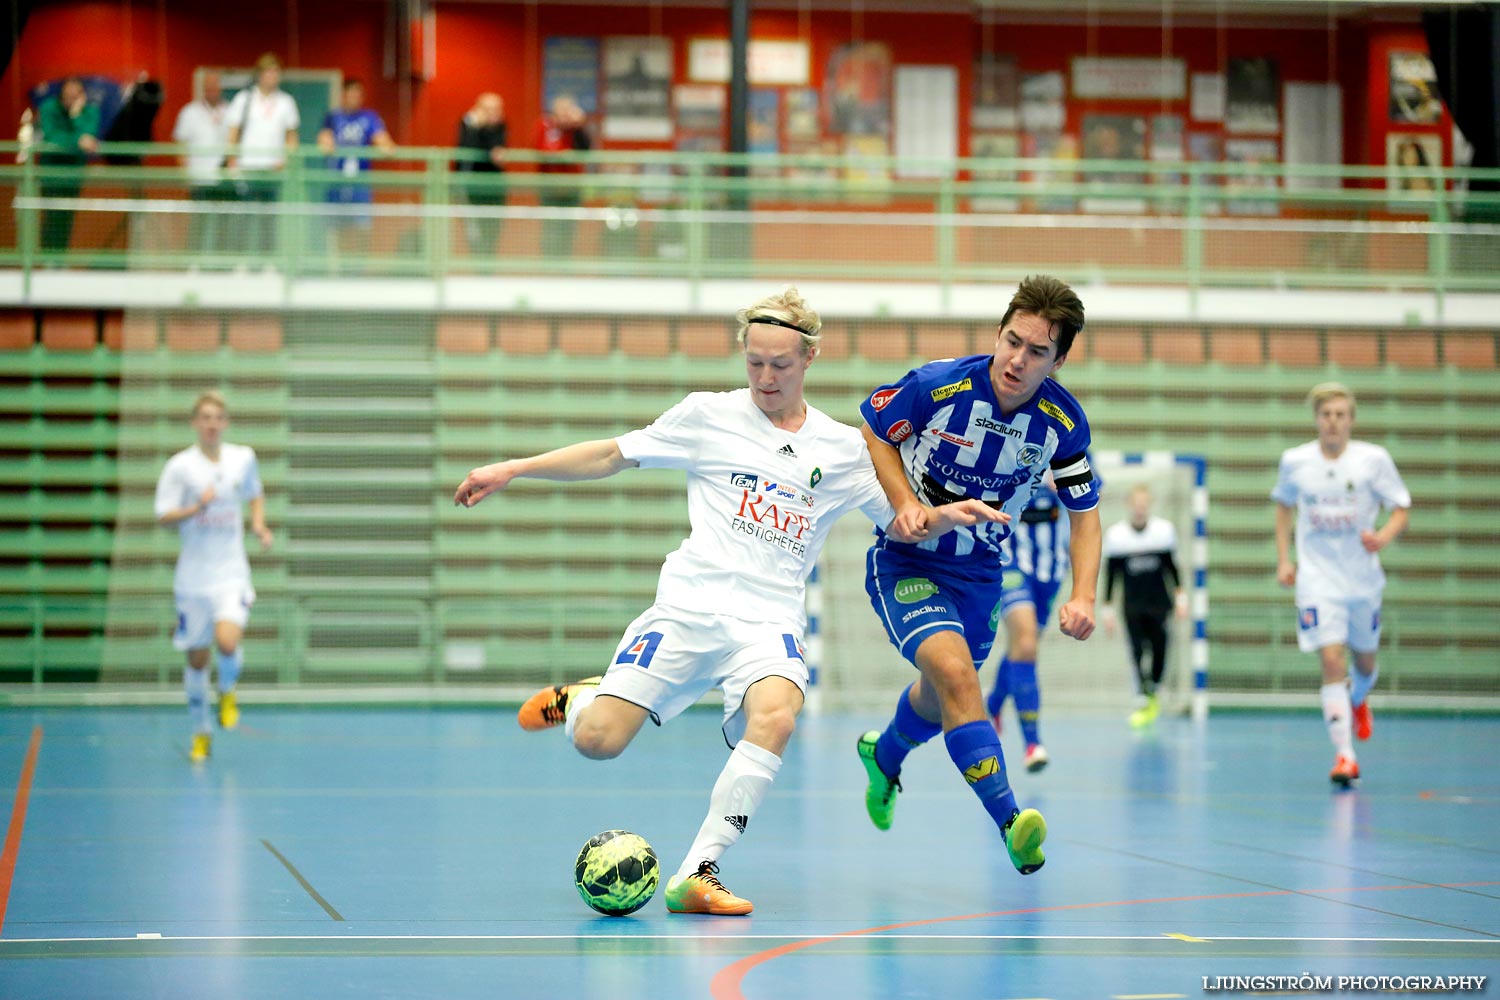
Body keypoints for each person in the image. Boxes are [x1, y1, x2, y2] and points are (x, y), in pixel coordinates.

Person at [453, 289, 1001, 914]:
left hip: (769, 622)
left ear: (810, 357)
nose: (766, 378)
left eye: (781, 365)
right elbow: (610, 454)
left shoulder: (846, 450)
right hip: (687, 608)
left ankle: (697, 873)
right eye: (755, 362)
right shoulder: (706, 416)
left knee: (776, 716)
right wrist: (514, 468)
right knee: (599, 742)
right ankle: (582, 703)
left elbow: (906, 521)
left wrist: (943, 517)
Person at [854, 274, 1101, 877]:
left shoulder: (1063, 424)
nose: (1017, 360)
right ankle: (1014, 824)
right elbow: (874, 431)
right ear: (998, 333)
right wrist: (906, 503)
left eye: (1037, 351)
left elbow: (1085, 514)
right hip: (908, 561)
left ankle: (883, 755)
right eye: (1011, 341)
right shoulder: (938, 385)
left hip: (980, 575)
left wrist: (1085, 595)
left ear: (1060, 359)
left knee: (943, 698)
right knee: (958, 675)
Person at [1272, 382, 1410, 787]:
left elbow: (1401, 507)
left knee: (1364, 663)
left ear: (1351, 420)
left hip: (1363, 580)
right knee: (1332, 660)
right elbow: (1283, 508)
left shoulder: (1373, 460)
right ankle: (1345, 756)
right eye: (1326, 414)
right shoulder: (1295, 462)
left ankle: (1359, 696)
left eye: (1340, 415)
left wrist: (1383, 536)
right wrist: (1285, 559)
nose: (1332, 422)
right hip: (1317, 581)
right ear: (1317, 419)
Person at [154, 391, 273, 763]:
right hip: (192, 579)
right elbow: (163, 514)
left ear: (225, 423)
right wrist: (196, 506)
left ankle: (227, 690)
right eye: (204, 417)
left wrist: (258, 524)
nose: (211, 423)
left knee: (227, 640)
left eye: (217, 417)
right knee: (196, 661)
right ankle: (201, 732)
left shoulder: (243, 458)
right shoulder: (180, 467)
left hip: (231, 573)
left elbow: (255, 494)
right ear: (195, 423)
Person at [984, 474, 1071, 772]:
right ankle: (1033, 744)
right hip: (1012, 563)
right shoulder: (1016, 442)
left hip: (1051, 573)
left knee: (1023, 649)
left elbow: (1088, 501)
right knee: (1025, 643)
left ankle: (993, 705)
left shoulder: (1072, 448)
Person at [1102, 483, 1185, 728]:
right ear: (1129, 506)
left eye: (1143, 504)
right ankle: (1142, 696)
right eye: (1135, 503)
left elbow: (1173, 568)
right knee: (1137, 650)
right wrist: (1107, 609)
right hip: (1133, 605)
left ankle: (1152, 690)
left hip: (1160, 604)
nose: (1139, 508)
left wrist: (1181, 599)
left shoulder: (1163, 532)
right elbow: (1111, 575)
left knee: (1160, 649)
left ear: (1148, 506)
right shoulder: (1117, 536)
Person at [225, 53, 299, 258]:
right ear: (259, 74)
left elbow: (291, 137)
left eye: (276, 72)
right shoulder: (244, 99)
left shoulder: (286, 102)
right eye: (268, 72)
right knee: (244, 216)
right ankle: (241, 262)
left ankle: (268, 262)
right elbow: (232, 133)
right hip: (247, 166)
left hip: (273, 169)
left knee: (270, 218)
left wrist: (287, 162)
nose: (272, 76)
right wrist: (232, 161)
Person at [316, 79, 394, 261]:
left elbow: (384, 141)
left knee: (362, 226)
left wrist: (385, 146)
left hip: (360, 182)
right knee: (338, 226)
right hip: (337, 181)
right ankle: (339, 266)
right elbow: (324, 140)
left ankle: (359, 265)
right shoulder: (333, 116)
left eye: (357, 94)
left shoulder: (369, 117)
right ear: (343, 95)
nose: (353, 98)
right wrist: (326, 143)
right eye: (350, 93)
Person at [35, 76, 99, 253]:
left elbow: (89, 135)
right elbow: (51, 137)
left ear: (82, 95)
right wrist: (77, 141)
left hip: (74, 175)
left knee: (66, 216)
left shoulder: (90, 111)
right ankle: (47, 258)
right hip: (51, 174)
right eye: (67, 95)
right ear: (61, 95)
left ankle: (59, 259)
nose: (71, 99)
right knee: (51, 216)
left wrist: (76, 116)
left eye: (76, 95)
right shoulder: (49, 108)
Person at [171, 70, 231, 254]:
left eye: (215, 87)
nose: (212, 90)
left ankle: (221, 262)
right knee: (199, 221)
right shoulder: (189, 112)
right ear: (204, 89)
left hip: (223, 178)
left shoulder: (230, 111)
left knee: (224, 223)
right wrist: (184, 173)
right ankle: (194, 261)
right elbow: (180, 144)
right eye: (209, 87)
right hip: (198, 177)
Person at [534, 95, 590, 257]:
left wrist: (578, 126)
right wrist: (561, 155)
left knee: (568, 229)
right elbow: (541, 149)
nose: (565, 116)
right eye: (562, 112)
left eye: (568, 112)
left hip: (571, 187)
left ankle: (565, 265)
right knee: (550, 228)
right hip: (549, 187)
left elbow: (585, 149)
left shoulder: (575, 129)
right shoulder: (543, 125)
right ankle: (549, 264)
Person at [454, 92, 507, 257]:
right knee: (474, 229)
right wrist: (474, 127)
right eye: (488, 109)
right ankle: (478, 264)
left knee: (493, 227)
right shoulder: (467, 123)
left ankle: (488, 265)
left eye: (496, 109)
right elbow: (466, 149)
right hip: (472, 185)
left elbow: (495, 152)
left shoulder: (501, 126)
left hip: (495, 185)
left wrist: (484, 129)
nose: (493, 113)